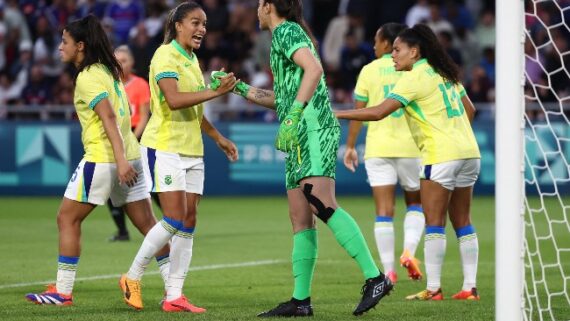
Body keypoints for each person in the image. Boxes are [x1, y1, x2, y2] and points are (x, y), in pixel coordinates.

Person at [226, 0, 393, 317]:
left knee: (320, 201)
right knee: (300, 218)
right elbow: (283, 98)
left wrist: (294, 117)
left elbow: (314, 70)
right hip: (299, 133)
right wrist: (238, 88)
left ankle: (376, 277)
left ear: (268, 6)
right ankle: (300, 300)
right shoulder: (286, 36)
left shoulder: (286, 32)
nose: (256, 11)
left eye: (260, 4)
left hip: (313, 128)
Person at [24, 15, 170, 306]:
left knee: (67, 218)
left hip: (105, 160)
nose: (59, 48)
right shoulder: (107, 69)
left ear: (80, 45)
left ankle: (63, 292)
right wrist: (126, 160)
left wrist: (119, 161)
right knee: (149, 226)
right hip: (130, 156)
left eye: (64, 42)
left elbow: (108, 118)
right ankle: (174, 292)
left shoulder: (89, 77)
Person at [335, 24, 481, 301]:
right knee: (463, 220)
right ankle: (469, 288)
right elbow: (470, 110)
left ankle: (434, 288)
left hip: (441, 156)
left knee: (434, 221)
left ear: (414, 52)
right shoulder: (445, 72)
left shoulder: (415, 78)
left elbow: (378, 112)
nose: (393, 56)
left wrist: (336, 114)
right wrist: (455, 135)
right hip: (469, 153)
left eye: (397, 51)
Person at [118, 1, 238, 313]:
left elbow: (195, 109)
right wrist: (217, 92)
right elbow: (173, 101)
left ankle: (174, 295)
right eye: (196, 23)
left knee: (189, 221)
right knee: (172, 218)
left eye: (205, 24)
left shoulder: (193, 60)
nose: (202, 29)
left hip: (193, 150)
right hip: (165, 146)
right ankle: (132, 276)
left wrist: (218, 138)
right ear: (179, 25)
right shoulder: (165, 55)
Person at [343, 22, 424, 285]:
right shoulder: (414, 68)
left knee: (383, 211)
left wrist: (351, 146)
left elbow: (359, 110)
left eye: (377, 40)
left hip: (378, 148)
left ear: (388, 44)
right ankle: (410, 251)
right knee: (415, 203)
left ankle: (389, 271)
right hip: (412, 146)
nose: (375, 45)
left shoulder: (369, 70)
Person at [107, 45, 161, 242]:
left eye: (124, 61)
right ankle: (122, 231)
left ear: (132, 63)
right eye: (117, 60)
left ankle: (173, 223)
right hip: (115, 139)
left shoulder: (140, 85)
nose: (120, 65)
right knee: (112, 185)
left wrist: (132, 140)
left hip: (136, 136)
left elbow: (145, 116)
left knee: (148, 182)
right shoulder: (109, 85)